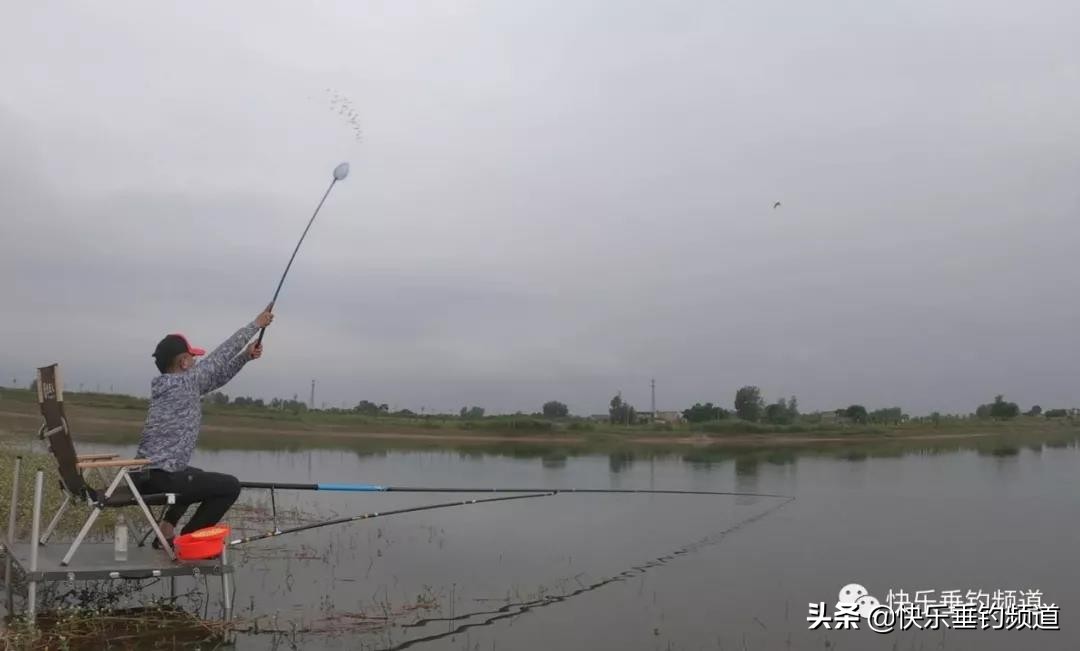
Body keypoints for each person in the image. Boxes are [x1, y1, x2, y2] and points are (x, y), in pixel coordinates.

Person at [133, 307, 274, 548]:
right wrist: (255, 325)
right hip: (160, 478)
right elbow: (219, 357)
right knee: (230, 486)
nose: (197, 361)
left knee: (195, 474)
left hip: (148, 475)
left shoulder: (177, 385)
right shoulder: (183, 384)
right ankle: (187, 542)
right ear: (184, 362)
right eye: (193, 357)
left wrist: (245, 357)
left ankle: (166, 531)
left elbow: (217, 377)